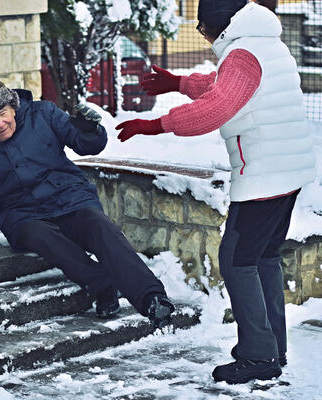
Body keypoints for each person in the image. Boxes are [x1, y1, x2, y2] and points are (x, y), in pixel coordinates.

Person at [115, 0, 316, 384]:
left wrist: (156, 125)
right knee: (263, 257)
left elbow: (218, 106)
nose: (202, 36)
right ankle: (272, 347)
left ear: (220, 24)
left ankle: (259, 357)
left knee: (237, 259)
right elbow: (227, 86)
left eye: (202, 28)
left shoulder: (242, 52)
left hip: (264, 175)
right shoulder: (264, 41)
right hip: (287, 171)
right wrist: (178, 84)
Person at [0, 77, 175, 329]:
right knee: (40, 235)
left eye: (3, 113)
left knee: (100, 227)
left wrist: (88, 130)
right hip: (22, 214)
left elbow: (86, 146)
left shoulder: (44, 113)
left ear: (13, 107)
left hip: (69, 197)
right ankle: (102, 285)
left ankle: (152, 298)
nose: (0, 123)